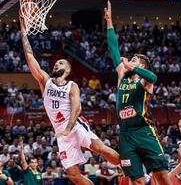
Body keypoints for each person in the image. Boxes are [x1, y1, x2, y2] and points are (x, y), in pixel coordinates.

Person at [20, 13, 120, 185]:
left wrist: (69, 127)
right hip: (61, 133)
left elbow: (76, 108)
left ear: (66, 71)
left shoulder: (72, 85)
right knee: (73, 175)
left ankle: (127, 165)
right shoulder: (46, 82)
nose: (56, 64)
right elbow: (30, 58)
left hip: (74, 126)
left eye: (61, 63)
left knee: (99, 149)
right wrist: (23, 32)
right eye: (56, 63)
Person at [104, 1, 171, 185]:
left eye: (134, 60)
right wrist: (109, 22)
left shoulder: (144, 80)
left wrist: (132, 65)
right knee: (137, 182)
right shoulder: (122, 75)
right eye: (130, 59)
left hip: (144, 131)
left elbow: (153, 77)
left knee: (162, 176)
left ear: (140, 65)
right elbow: (114, 49)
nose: (129, 61)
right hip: (125, 135)